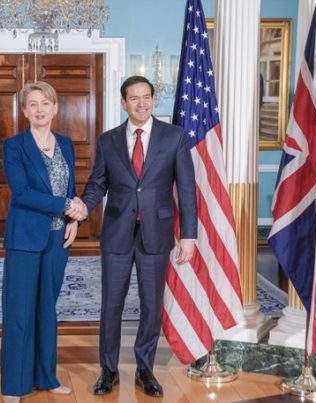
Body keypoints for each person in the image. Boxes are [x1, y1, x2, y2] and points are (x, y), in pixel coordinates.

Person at [78, 76, 198, 397]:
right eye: (134, 98)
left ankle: (145, 369)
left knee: (151, 305)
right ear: (124, 103)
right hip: (117, 234)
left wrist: (189, 235)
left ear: (153, 99)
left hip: (156, 234)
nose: (141, 104)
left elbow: (186, 188)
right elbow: (97, 184)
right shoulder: (108, 141)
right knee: (111, 305)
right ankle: (108, 370)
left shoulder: (174, 137)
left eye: (146, 97)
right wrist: (83, 207)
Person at [0, 81, 86, 403]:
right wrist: (66, 206)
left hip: (57, 238)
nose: (39, 109)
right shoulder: (14, 146)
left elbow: (70, 188)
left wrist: (74, 219)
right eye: (33, 104)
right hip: (24, 238)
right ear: (24, 111)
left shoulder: (65, 143)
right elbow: (22, 193)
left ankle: (46, 377)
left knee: (47, 309)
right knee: (20, 311)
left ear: (55, 108)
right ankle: (15, 386)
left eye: (45, 103)